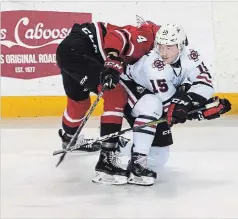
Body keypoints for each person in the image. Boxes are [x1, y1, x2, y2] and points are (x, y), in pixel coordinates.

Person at [92, 24, 231, 185]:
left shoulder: (191, 55)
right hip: (129, 87)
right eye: (160, 46)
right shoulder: (154, 67)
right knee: (153, 105)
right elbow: (170, 109)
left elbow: (204, 83)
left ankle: (124, 145)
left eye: (169, 47)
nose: (163, 52)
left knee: (159, 157)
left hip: (151, 94)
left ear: (181, 46)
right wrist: (199, 112)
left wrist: (196, 102)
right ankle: (137, 162)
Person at [56, 20, 160, 178]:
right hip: (81, 51)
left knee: (79, 102)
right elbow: (115, 36)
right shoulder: (148, 37)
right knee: (116, 95)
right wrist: (113, 59)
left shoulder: (150, 48)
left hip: (68, 51)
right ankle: (107, 161)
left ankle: (69, 138)